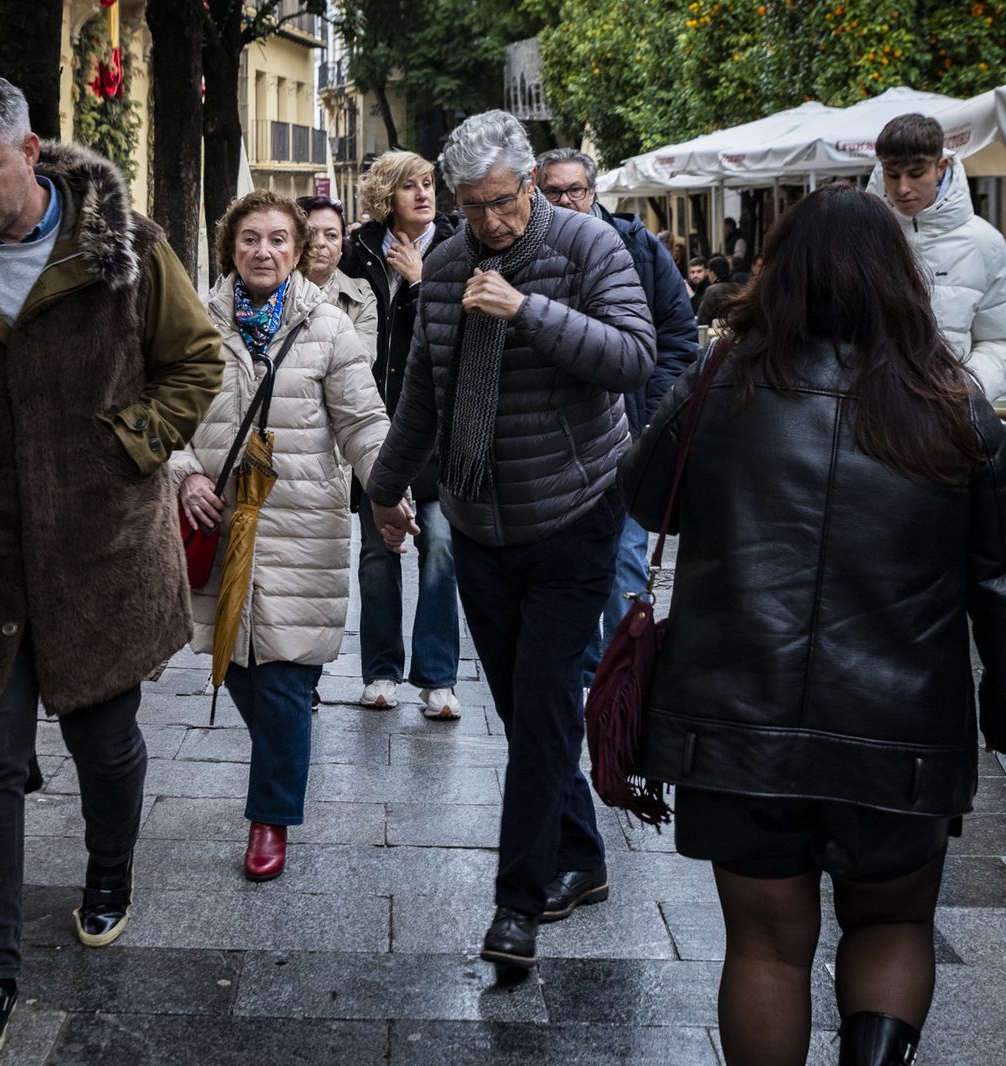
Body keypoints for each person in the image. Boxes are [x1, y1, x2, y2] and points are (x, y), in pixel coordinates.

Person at [619, 182, 1006, 1066]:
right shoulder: (953, 401)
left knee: (766, 947)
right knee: (893, 920)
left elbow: (643, 497)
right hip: (897, 736)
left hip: (737, 729)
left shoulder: (721, 379)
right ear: (899, 278)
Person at [0, 75, 221, 1066]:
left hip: (98, 547)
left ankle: (109, 871)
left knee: (105, 742)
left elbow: (194, 360)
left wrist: (134, 443)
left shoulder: (124, 248)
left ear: (31, 151)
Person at [366, 110, 654, 970]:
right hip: (481, 521)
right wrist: (384, 492)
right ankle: (585, 859)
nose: (489, 222)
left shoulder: (587, 247)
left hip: (575, 513)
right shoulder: (447, 264)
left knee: (540, 710)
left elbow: (635, 357)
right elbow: (424, 392)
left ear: (530, 184)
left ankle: (514, 909)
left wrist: (529, 310)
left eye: (502, 202)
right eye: (470, 207)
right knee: (531, 709)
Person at [173, 190, 389, 883]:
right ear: (228, 248)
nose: (262, 252)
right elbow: (163, 419)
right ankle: (285, 756)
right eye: (248, 240)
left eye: (276, 240)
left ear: (299, 251)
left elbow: (362, 423)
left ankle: (270, 818)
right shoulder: (194, 326)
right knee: (238, 665)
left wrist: (388, 489)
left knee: (288, 677)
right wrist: (184, 475)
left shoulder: (329, 329)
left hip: (302, 528)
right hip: (220, 526)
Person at [533, 148, 697, 697]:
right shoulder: (528, 250)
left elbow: (678, 337)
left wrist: (650, 415)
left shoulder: (639, 249)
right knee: (571, 562)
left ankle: (625, 670)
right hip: (555, 442)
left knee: (627, 556)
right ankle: (579, 672)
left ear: (593, 190)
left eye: (574, 190)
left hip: (628, 438)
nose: (565, 201)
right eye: (552, 192)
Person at [339, 150, 465, 719]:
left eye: (429, 184)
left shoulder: (460, 248)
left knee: (439, 545)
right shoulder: (360, 249)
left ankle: (438, 677)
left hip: (441, 431)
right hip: (375, 427)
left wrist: (419, 285)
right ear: (387, 195)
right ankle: (381, 672)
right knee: (376, 552)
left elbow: (457, 334)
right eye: (410, 185)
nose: (424, 194)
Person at [868, 113, 1006, 399]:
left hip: (949, 422)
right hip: (865, 418)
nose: (903, 188)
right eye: (892, 175)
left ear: (940, 167)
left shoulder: (985, 242)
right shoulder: (859, 235)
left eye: (916, 174)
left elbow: (1004, 341)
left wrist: (965, 391)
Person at [296, 195, 377, 343]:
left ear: (342, 245)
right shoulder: (275, 290)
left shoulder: (361, 296)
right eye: (311, 234)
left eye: (331, 235)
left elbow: (360, 359)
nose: (320, 242)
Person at [696, 255, 741, 327]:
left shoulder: (711, 290)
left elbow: (702, 319)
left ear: (713, 273)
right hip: (738, 330)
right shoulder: (738, 287)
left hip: (717, 332)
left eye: (709, 271)